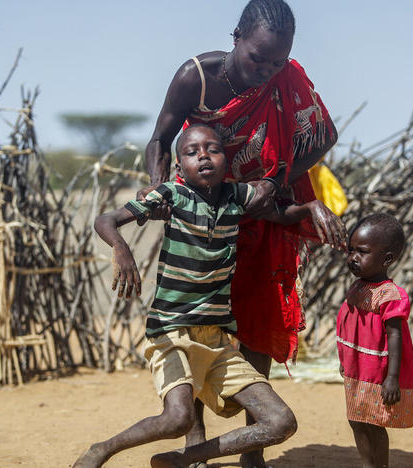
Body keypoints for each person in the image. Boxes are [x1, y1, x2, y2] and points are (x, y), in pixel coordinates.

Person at [141, 1, 347, 466]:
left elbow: (323, 135)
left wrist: (276, 180)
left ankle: (252, 447)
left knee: (256, 320)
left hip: (262, 209)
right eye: (259, 58)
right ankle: (195, 443)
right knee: (195, 317)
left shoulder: (285, 79)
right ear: (236, 37)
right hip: (203, 215)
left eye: (278, 61)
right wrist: (159, 189)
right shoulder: (196, 78)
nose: (268, 70)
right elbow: (160, 138)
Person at [74, 125, 338, 468]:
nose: (203, 156)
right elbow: (106, 219)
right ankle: (101, 449)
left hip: (217, 343)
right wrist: (121, 248)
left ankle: (184, 458)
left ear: (226, 159)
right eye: (192, 151)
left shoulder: (236, 196)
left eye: (212, 149)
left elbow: (276, 214)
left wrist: (311, 208)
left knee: (281, 422)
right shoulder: (171, 195)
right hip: (171, 333)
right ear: (179, 166)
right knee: (177, 418)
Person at [336, 213, 413, 468]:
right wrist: (345, 361)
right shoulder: (359, 287)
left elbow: (395, 336)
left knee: (374, 423)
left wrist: (392, 377)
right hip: (358, 370)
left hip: (377, 374)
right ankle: (366, 464)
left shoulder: (390, 296)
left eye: (362, 252)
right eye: (351, 251)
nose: (353, 258)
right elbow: (350, 327)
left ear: (387, 259)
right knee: (356, 418)